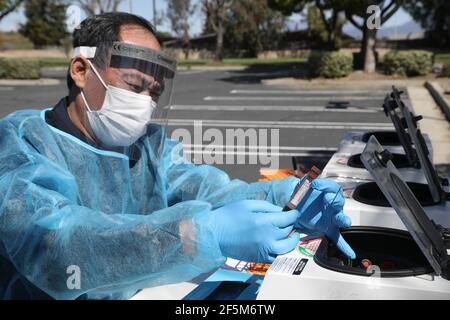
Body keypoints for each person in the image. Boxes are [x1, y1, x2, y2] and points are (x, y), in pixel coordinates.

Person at [0, 12, 355, 300]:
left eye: (153, 92)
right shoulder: (24, 142)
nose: (144, 102)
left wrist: (286, 197)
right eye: (134, 85)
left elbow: (205, 189)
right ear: (81, 70)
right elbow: (55, 249)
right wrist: (194, 233)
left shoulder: (148, 144)